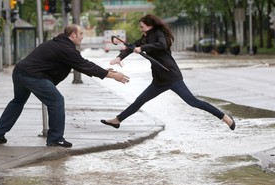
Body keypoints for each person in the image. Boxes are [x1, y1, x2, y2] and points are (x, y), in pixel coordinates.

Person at [0, 24, 129, 148]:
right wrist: (111, 76)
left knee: (17, 101)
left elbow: (82, 64)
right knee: (56, 101)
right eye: (81, 34)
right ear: (73, 35)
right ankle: (55, 139)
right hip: (33, 76)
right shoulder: (65, 48)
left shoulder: (58, 44)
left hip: (20, 72)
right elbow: (84, 65)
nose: (82, 37)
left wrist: (105, 71)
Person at [101, 14, 235, 131]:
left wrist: (142, 48)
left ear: (149, 25)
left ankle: (225, 117)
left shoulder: (159, 33)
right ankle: (117, 120)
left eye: (142, 27)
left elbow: (161, 45)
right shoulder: (145, 37)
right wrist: (119, 57)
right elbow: (131, 47)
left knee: (193, 102)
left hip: (171, 76)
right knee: (140, 100)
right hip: (159, 80)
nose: (140, 29)